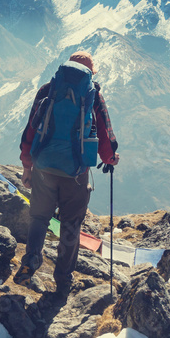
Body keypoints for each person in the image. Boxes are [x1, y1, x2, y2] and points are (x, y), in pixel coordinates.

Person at [15, 51, 118, 296]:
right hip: (75, 172)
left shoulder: (47, 90)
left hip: (43, 167)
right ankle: (63, 280)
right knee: (71, 224)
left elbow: (31, 130)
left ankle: (30, 261)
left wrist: (27, 166)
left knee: (39, 217)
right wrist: (111, 157)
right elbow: (105, 132)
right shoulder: (93, 94)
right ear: (90, 73)